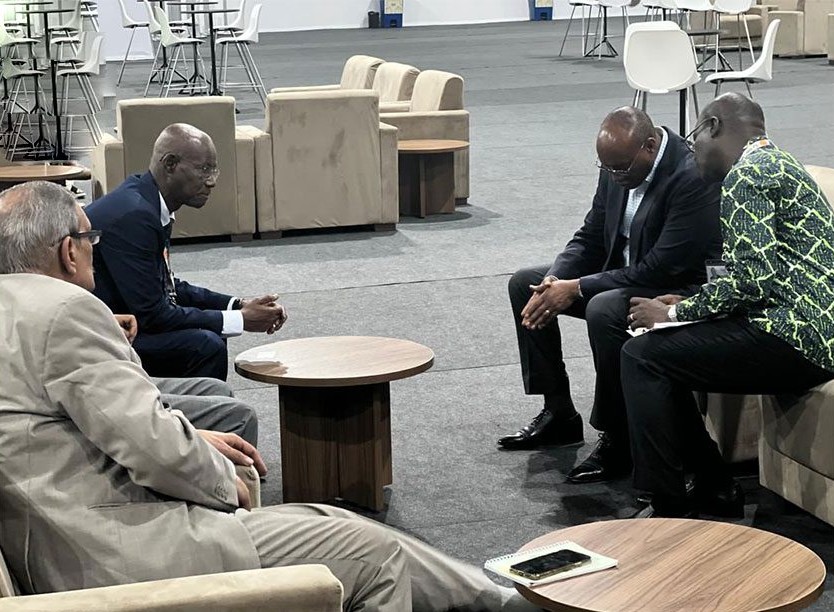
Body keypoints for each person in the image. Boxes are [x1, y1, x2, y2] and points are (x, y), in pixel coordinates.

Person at [0, 181, 539, 611]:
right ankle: (497, 601)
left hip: (67, 535)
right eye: (91, 239)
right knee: (374, 556)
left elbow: (85, 425)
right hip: (122, 550)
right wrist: (221, 481)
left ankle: (495, 599)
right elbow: (152, 449)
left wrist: (193, 439)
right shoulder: (67, 310)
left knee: (330, 520)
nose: (96, 250)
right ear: (68, 251)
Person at [624, 93, 834, 518]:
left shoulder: (746, 175)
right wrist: (692, 303)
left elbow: (753, 280)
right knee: (662, 358)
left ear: (713, 127)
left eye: (694, 139)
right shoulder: (781, 163)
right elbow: (767, 274)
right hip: (812, 331)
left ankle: (669, 507)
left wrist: (673, 314)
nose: (693, 151)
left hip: (793, 337)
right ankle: (712, 486)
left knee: (642, 356)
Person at [499, 106, 722, 486]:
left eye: (620, 168)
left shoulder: (690, 176)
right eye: (606, 168)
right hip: (622, 273)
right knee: (525, 284)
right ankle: (558, 413)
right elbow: (590, 235)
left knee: (604, 309)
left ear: (649, 146)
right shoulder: (617, 166)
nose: (614, 176)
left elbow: (660, 267)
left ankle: (617, 438)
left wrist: (577, 287)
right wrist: (555, 279)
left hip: (670, 287)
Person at [85, 123, 287, 381]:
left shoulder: (146, 201)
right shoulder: (134, 215)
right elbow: (154, 315)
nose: (212, 181)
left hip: (123, 320)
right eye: (204, 169)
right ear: (170, 164)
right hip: (101, 337)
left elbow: (167, 286)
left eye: (214, 169)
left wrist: (238, 304)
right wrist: (240, 319)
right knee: (205, 346)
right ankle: (189, 407)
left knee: (210, 336)